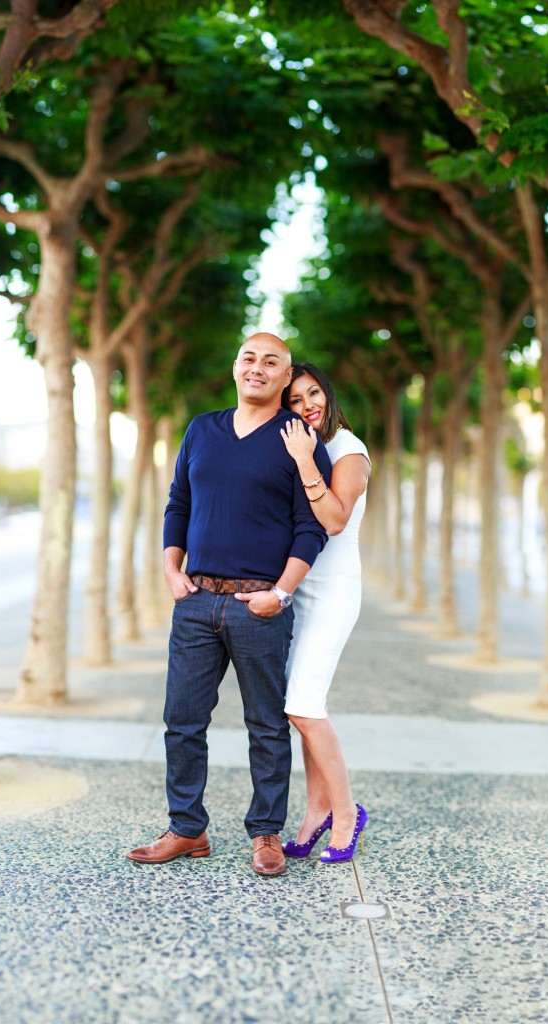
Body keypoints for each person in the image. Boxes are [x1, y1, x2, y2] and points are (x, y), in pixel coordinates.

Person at [127, 333, 333, 877]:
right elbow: (179, 502)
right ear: (235, 366)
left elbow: (311, 528)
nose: (258, 368)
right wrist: (171, 568)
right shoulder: (202, 429)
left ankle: (266, 833)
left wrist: (280, 594)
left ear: (286, 377)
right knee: (182, 719)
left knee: (265, 723)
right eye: (249, 358)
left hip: (259, 604)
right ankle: (187, 828)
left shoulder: (300, 440)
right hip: (195, 600)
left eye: (272, 362)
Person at [278, 363, 371, 864]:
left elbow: (334, 520)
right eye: (295, 400)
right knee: (302, 705)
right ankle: (316, 809)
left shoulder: (346, 449)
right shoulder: (303, 447)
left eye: (314, 393)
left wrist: (303, 460)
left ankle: (346, 813)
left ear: (328, 395)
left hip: (333, 592)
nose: (308, 404)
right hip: (300, 591)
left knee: (304, 707)